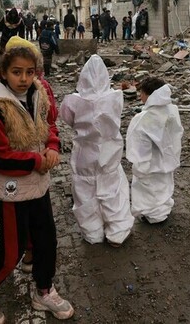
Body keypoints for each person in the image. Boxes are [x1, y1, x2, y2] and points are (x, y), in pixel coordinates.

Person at [0, 40, 73, 323]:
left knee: (46, 240)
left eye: (29, 72)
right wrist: (35, 161)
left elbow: (48, 126)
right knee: (12, 251)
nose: (24, 78)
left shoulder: (38, 94)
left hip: (39, 185)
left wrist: (52, 147)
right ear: (3, 72)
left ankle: (43, 290)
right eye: (16, 72)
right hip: (10, 191)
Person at [59, 55, 133, 247]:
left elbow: (67, 119)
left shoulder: (72, 101)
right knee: (112, 190)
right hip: (109, 152)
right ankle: (117, 232)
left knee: (85, 193)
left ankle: (93, 233)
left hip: (85, 153)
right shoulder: (115, 96)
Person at [125, 77, 183, 224]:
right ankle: (162, 211)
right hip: (167, 158)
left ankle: (152, 215)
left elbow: (139, 144)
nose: (140, 96)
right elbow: (176, 134)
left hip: (150, 162)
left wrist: (140, 166)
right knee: (163, 185)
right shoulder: (172, 110)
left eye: (142, 93)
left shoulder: (143, 118)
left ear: (150, 95)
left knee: (148, 189)